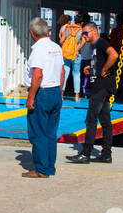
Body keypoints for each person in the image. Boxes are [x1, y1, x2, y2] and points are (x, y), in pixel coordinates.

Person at [22, 17, 65, 178]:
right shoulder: (55, 47)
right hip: (55, 91)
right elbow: (62, 72)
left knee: (38, 132)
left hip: (43, 93)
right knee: (50, 132)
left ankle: (41, 169)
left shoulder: (38, 50)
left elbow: (37, 75)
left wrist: (31, 97)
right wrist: (60, 92)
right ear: (47, 31)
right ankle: (49, 167)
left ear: (32, 33)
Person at [69, 19, 117, 164]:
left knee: (91, 119)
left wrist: (104, 69)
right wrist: (91, 69)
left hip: (101, 87)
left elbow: (113, 55)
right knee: (105, 121)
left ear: (93, 31)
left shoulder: (101, 42)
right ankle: (106, 154)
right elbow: (100, 61)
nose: (84, 36)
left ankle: (86, 153)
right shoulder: (94, 47)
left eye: (85, 33)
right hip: (102, 86)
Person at [58, 14, 86, 102]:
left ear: (74, 21)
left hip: (66, 55)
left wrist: (66, 47)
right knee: (76, 74)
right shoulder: (82, 30)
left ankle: (61, 94)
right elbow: (84, 41)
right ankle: (77, 95)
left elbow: (61, 41)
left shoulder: (67, 28)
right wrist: (77, 49)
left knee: (65, 73)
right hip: (76, 55)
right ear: (82, 23)